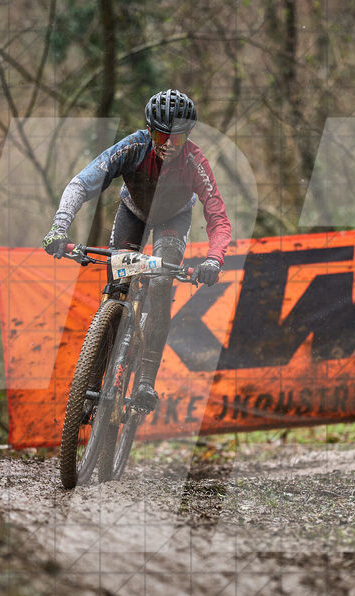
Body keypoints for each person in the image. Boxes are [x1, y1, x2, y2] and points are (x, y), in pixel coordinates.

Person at [42, 88, 232, 412]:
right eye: (162, 135)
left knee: (160, 284)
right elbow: (81, 183)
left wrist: (214, 259)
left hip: (173, 220)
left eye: (179, 137)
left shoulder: (195, 163)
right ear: (149, 131)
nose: (170, 144)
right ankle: (91, 384)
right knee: (117, 288)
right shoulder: (132, 147)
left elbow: (218, 216)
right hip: (134, 213)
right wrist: (59, 227)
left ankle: (146, 379)